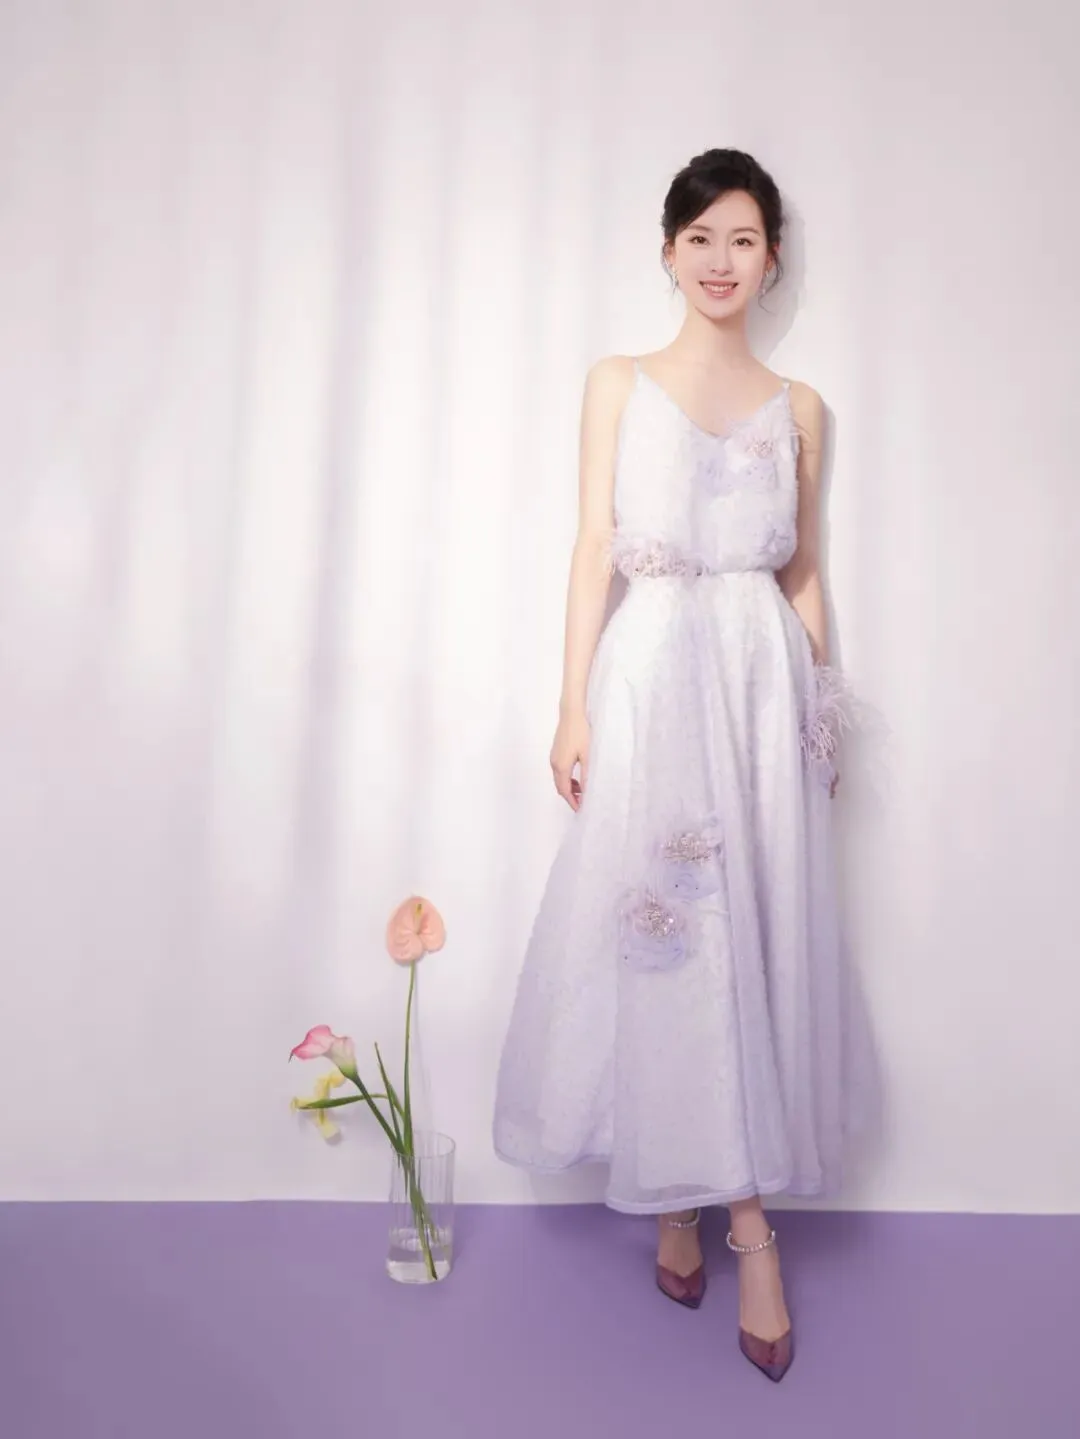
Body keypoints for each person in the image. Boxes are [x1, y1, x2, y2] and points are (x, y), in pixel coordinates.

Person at [492, 148, 859, 1384]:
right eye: (700, 236)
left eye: (743, 238)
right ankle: (715, 1211)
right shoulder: (618, 381)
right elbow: (592, 542)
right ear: (667, 251)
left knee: (750, 933)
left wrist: (820, 708)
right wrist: (570, 704)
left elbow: (802, 569)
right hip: (651, 675)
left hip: (759, 686)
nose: (719, 259)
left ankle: (711, 1208)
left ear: (772, 258)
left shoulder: (801, 405)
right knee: (665, 933)